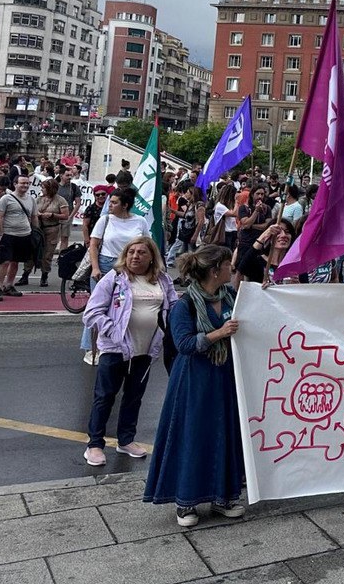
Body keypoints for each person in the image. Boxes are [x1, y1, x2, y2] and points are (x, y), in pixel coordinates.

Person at [143, 245, 246, 527]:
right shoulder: (185, 305)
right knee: (192, 434)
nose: (231, 269)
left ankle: (223, 496)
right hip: (193, 380)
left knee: (224, 432)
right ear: (215, 270)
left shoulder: (230, 297)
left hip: (224, 376)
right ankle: (185, 501)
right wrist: (218, 334)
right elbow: (185, 344)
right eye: (228, 265)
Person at [81, 236, 177, 466]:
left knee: (134, 397)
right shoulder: (114, 278)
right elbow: (92, 313)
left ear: (152, 256)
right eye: (132, 252)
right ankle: (94, 444)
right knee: (104, 397)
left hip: (145, 352)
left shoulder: (163, 281)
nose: (135, 256)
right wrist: (114, 332)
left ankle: (125, 440)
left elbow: (173, 308)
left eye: (141, 252)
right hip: (115, 350)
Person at [83, 187, 152, 361]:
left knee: (125, 306)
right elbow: (93, 245)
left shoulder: (140, 221)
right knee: (98, 307)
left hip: (131, 268)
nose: (110, 205)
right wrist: (95, 267)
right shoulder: (105, 220)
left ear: (125, 205)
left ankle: (123, 342)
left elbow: (147, 244)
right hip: (107, 265)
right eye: (110, 202)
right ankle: (91, 348)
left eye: (114, 202)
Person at [0, 174, 39, 301]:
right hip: (8, 235)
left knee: (15, 261)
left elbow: (34, 217)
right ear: (15, 184)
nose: (25, 185)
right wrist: (0, 233)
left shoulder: (31, 200)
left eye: (27, 183)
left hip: (24, 235)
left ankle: (9, 285)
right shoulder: (6, 199)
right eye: (22, 183)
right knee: (4, 262)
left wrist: (36, 232)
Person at [28, 176, 69, 288]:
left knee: (48, 253)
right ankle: (25, 274)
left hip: (52, 228)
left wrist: (52, 215)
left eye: (44, 188)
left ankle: (44, 275)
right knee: (32, 250)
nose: (42, 190)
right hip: (38, 228)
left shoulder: (60, 200)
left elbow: (65, 215)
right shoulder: (39, 199)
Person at [235, 219, 296, 284]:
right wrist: (263, 237)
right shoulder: (257, 261)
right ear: (268, 237)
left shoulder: (295, 264)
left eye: (287, 232)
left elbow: (305, 289)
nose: (284, 235)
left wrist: (298, 285)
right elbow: (240, 272)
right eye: (278, 232)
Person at [211, 183, 239, 250]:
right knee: (226, 251)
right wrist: (237, 202)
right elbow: (233, 214)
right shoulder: (220, 206)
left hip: (233, 230)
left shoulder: (230, 205)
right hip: (225, 232)